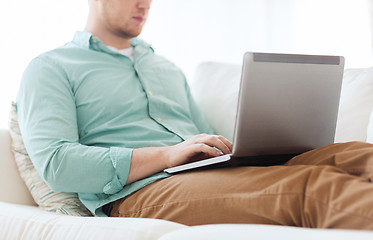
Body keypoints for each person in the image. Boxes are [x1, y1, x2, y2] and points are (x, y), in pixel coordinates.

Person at [16, 0, 373, 229]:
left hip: (205, 173)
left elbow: (202, 135)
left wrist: (251, 148)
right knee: (312, 189)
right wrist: (168, 155)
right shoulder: (50, 67)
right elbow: (59, 165)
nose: (145, 3)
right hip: (140, 193)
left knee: (356, 154)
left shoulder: (165, 67)